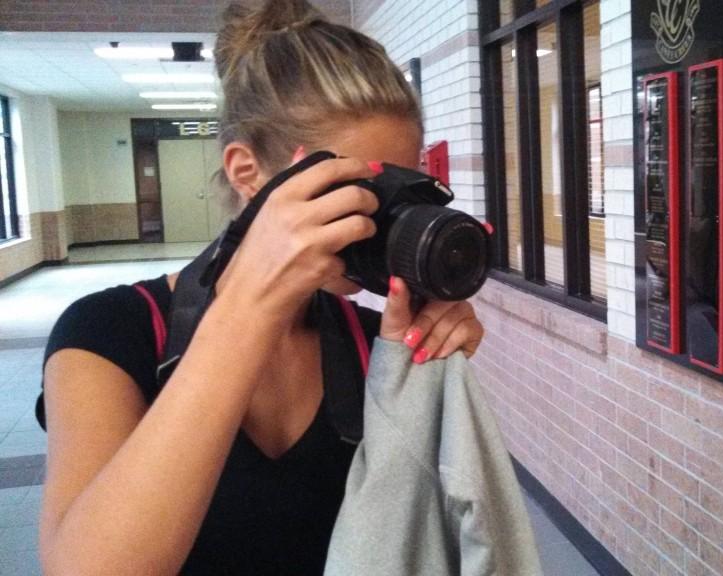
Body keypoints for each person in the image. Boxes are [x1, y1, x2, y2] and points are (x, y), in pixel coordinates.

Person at [36, 1, 485, 574]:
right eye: (352, 191)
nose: (378, 221)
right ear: (246, 171)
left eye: (403, 193)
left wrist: (426, 371)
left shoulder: (376, 343)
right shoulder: (106, 334)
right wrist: (250, 306)